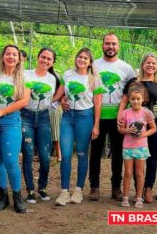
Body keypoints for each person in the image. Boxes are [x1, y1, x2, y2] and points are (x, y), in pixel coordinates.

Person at [119, 53, 157, 203]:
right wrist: (120, 118)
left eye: (154, 63)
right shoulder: (134, 82)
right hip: (135, 126)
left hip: (154, 125)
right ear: (143, 64)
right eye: (148, 63)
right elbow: (124, 101)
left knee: (152, 157)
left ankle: (148, 188)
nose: (151, 66)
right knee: (134, 158)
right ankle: (137, 190)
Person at [88, 33, 136, 201]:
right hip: (97, 116)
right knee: (95, 152)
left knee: (118, 153)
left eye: (114, 44)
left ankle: (116, 187)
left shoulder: (127, 68)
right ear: (102, 45)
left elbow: (134, 91)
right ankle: (94, 186)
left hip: (119, 117)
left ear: (118, 46)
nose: (110, 47)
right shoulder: (93, 66)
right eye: (107, 43)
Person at [55, 48, 102, 206]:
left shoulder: (94, 79)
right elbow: (59, 94)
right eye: (80, 57)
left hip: (85, 117)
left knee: (82, 154)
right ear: (76, 58)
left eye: (85, 58)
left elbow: (97, 102)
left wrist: (96, 125)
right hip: (68, 117)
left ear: (90, 62)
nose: (82, 59)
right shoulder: (67, 74)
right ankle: (64, 191)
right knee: (66, 155)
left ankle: (78, 189)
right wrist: (59, 101)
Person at [0, 44, 30, 213]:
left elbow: (24, 101)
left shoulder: (24, 77)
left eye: (15, 54)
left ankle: (17, 197)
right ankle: (3, 196)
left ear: (19, 58)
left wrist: (3, 111)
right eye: (8, 54)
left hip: (11, 120)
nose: (11, 57)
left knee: (11, 160)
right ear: (2, 56)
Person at [21, 47, 60, 204]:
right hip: (26, 116)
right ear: (38, 57)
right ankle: (30, 190)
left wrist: (60, 101)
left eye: (49, 59)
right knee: (28, 154)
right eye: (43, 57)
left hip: (44, 117)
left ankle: (42, 188)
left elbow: (60, 94)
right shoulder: (26, 75)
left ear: (52, 62)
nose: (45, 60)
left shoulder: (54, 78)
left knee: (45, 156)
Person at [118, 83, 157, 208]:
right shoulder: (125, 113)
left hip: (141, 147)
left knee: (139, 173)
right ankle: (125, 197)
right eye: (133, 99)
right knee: (128, 172)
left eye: (138, 99)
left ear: (143, 99)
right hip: (128, 147)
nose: (135, 101)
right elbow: (120, 129)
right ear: (129, 99)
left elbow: (153, 128)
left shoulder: (146, 113)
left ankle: (139, 197)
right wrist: (127, 131)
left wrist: (144, 134)